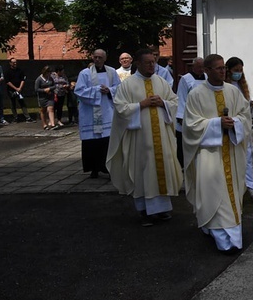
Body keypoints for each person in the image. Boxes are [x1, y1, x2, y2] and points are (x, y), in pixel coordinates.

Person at [183, 54, 251, 253]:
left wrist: (235, 123)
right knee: (214, 193)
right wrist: (216, 123)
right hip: (209, 155)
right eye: (218, 68)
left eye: (224, 68)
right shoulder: (196, 94)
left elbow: (244, 116)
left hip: (231, 151)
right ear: (207, 71)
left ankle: (232, 236)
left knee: (230, 194)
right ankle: (220, 236)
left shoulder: (233, 91)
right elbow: (190, 126)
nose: (223, 71)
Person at [107, 48, 182, 226]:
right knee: (142, 171)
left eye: (153, 62)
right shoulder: (128, 84)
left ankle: (161, 209)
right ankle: (144, 211)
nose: (151, 65)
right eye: (147, 62)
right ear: (138, 63)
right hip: (139, 138)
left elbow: (174, 102)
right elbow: (120, 108)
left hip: (161, 138)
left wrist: (162, 103)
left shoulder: (161, 82)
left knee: (160, 169)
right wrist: (141, 104)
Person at [75, 49, 120, 178]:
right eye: (95, 57)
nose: (97, 59)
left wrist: (110, 90)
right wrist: (97, 90)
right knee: (92, 142)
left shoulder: (112, 72)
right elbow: (79, 90)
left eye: (100, 57)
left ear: (105, 58)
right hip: (90, 113)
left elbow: (120, 87)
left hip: (106, 111)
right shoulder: (85, 73)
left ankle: (107, 167)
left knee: (106, 141)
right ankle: (93, 168)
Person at [226, 56, 253, 199]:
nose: (238, 73)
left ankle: (250, 186)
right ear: (229, 70)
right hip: (232, 126)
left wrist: (249, 105)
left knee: (247, 157)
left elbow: (243, 106)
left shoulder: (242, 86)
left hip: (243, 127)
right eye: (236, 70)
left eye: (240, 70)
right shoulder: (225, 87)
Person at [175, 57, 206, 167]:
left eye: (203, 67)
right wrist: (181, 116)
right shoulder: (186, 79)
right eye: (199, 67)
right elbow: (181, 97)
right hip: (188, 115)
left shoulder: (207, 78)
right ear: (193, 66)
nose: (201, 69)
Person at [4, 58, 34, 123]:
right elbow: (8, 82)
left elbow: (22, 79)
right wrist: (15, 88)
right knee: (13, 104)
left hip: (19, 90)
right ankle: (15, 117)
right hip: (11, 90)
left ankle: (27, 117)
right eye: (13, 62)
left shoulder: (20, 71)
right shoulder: (7, 72)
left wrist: (20, 88)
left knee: (22, 103)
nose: (15, 63)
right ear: (10, 63)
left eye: (16, 62)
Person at [34, 65, 57, 130]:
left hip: (50, 96)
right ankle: (44, 124)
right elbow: (36, 89)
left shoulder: (50, 78)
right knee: (43, 110)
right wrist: (44, 90)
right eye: (48, 72)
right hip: (42, 97)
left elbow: (54, 86)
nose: (49, 74)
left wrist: (49, 88)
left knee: (51, 109)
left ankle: (52, 124)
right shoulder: (39, 79)